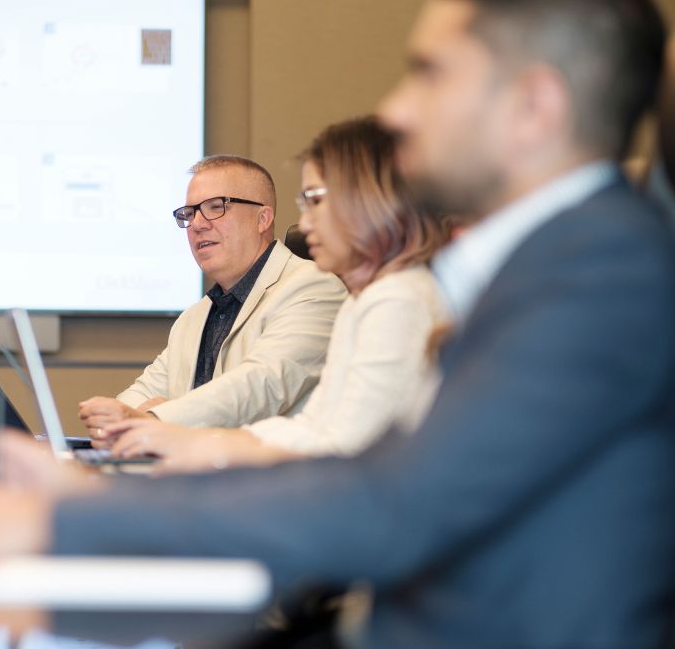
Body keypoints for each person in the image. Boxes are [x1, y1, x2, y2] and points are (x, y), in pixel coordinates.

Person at [0, 0, 675, 647]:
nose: (397, 111)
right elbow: (376, 481)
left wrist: (56, 518)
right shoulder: (566, 263)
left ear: (534, 106)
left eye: (428, 74)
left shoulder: (600, 278)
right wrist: (88, 506)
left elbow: (389, 505)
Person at [101, 116, 449, 473]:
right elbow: (315, 427)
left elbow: (327, 435)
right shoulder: (368, 298)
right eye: (190, 213)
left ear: (369, 201)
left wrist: (171, 429)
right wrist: (124, 420)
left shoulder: (389, 298)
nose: (306, 223)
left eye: (315, 201)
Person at [82, 155, 346, 444]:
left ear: (263, 218)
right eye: (189, 213)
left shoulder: (312, 287)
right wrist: (115, 421)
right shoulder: (194, 317)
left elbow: (261, 384)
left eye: (215, 208)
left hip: (282, 481)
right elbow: (143, 393)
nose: (197, 224)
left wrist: (153, 421)